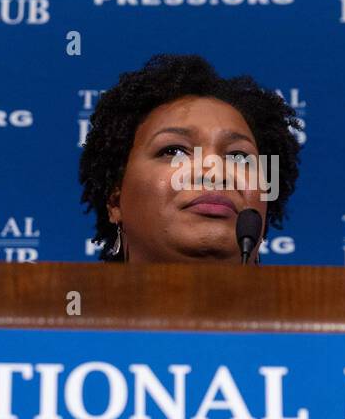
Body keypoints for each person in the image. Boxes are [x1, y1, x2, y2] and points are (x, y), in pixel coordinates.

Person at [80, 53, 301, 263]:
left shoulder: (327, 302)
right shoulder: (61, 303)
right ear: (115, 201)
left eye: (239, 157)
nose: (214, 173)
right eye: (174, 151)